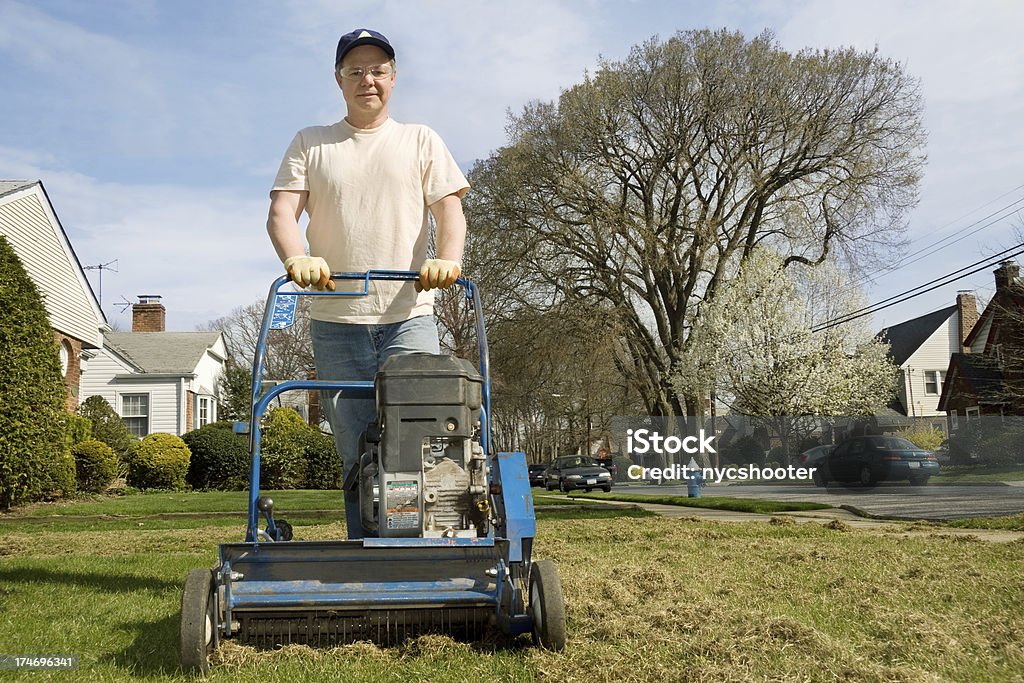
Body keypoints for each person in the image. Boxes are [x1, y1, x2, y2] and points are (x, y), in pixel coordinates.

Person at [266, 28, 469, 539]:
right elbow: (281, 214)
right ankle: (367, 549)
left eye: (377, 70)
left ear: (393, 78)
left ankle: (434, 546)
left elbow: (450, 211)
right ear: (339, 80)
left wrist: (446, 260)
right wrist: (299, 259)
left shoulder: (420, 139)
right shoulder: (311, 142)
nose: (367, 80)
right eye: (355, 71)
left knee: (423, 439)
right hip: (337, 321)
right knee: (356, 449)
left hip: (410, 315)